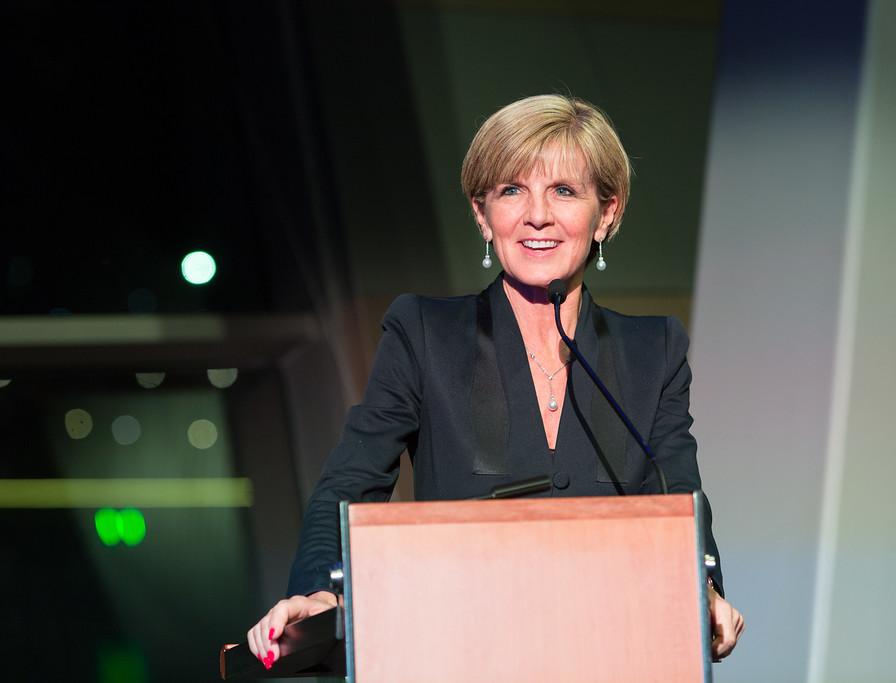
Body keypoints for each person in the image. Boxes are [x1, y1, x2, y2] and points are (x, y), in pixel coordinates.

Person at [246, 94, 744, 669]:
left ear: (606, 213)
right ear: (483, 215)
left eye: (564, 191)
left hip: (616, 656)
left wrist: (703, 591)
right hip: (462, 655)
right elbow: (351, 483)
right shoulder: (424, 333)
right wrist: (317, 593)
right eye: (512, 191)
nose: (537, 215)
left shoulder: (653, 349)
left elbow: (681, 500)